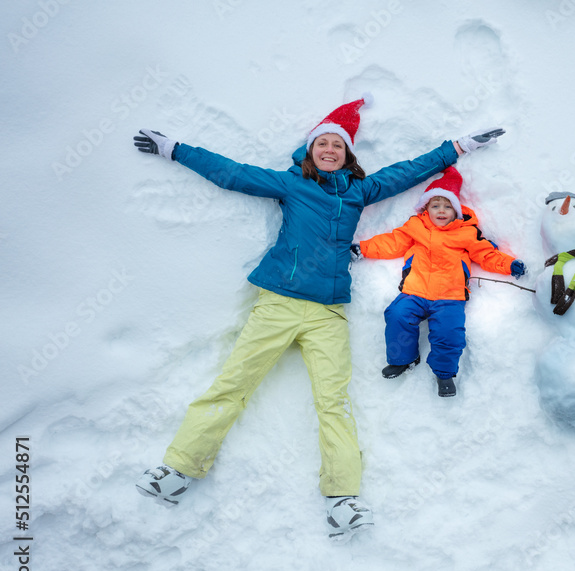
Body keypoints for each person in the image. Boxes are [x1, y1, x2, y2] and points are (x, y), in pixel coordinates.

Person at [132, 95, 504, 539]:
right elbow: (231, 174)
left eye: (338, 146)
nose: (330, 150)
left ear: (348, 156)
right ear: (310, 151)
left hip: (328, 311)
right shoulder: (292, 186)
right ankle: (177, 471)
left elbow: (405, 172)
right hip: (279, 304)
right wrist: (175, 149)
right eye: (323, 143)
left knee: (334, 403)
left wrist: (457, 147)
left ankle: (342, 500)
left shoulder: (358, 192)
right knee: (232, 385)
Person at [353, 166, 525, 397]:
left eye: (447, 206)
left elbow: (486, 254)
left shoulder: (467, 233)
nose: (441, 211)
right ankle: (404, 358)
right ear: (426, 209)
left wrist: (509, 265)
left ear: (456, 211)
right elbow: (391, 242)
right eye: (436, 206)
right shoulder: (416, 227)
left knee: (448, 331)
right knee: (397, 315)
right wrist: (363, 249)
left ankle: (444, 374)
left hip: (449, 296)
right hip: (414, 291)